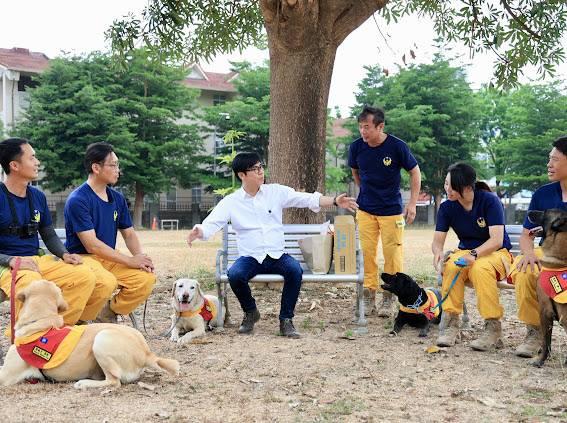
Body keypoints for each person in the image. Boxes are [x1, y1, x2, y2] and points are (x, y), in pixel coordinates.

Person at [187, 152, 358, 338]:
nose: (261, 172)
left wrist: (333, 200)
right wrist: (199, 231)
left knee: (294, 270)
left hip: (277, 255)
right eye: (255, 169)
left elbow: (307, 199)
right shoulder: (231, 202)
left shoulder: (275, 192)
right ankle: (251, 312)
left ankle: (286, 320)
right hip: (250, 257)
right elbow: (212, 223)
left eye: (261, 167)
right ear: (242, 175)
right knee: (235, 274)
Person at [0, 137, 97, 326]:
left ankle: (59, 330)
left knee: (85, 276)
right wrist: (11, 260)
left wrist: (64, 254)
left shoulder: (37, 196)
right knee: (34, 287)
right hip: (5, 264)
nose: (37, 163)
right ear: (14, 165)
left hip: (36, 260)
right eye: (32, 158)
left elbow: (49, 234)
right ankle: (23, 341)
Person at [64, 142, 155, 323]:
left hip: (108, 259)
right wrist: (129, 260)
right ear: (96, 167)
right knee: (106, 282)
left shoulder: (117, 198)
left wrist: (140, 258)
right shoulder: (78, 199)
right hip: (83, 259)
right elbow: (92, 244)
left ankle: (107, 313)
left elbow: (129, 234)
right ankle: (80, 322)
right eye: (113, 165)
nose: (117, 170)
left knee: (145, 279)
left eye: (117, 165)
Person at [348, 105, 421, 317]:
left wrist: (413, 203)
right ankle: (368, 297)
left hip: (391, 211)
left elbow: (415, 173)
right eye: (360, 127)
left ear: (380, 127)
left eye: (367, 127)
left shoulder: (397, 146)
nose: (363, 132)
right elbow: (356, 171)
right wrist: (367, 191)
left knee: (392, 255)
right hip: (365, 210)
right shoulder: (356, 148)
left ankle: (389, 298)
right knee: (367, 255)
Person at [432, 163, 513, 351]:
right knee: (451, 265)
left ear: (468, 187)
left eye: (452, 186)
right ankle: (452, 325)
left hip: (496, 253)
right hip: (467, 252)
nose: (447, 190)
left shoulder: (489, 201)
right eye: (446, 184)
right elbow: (437, 241)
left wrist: (474, 254)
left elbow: (497, 240)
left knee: (480, 268)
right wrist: (437, 253)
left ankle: (493, 328)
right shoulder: (447, 207)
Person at [511, 135, 567, 358]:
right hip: (549, 257)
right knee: (526, 270)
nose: (549, 164)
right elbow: (526, 236)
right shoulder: (543, 194)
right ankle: (535, 331)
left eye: (555, 159)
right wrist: (528, 253)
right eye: (548, 159)